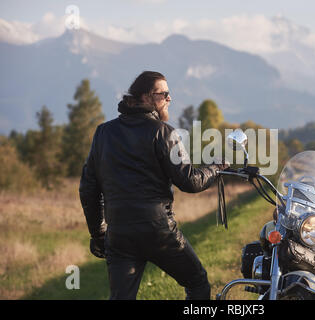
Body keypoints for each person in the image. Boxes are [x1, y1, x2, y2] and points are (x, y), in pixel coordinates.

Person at [79, 71, 229, 300]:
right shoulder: (164, 132)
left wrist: (99, 234)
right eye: (164, 94)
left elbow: (88, 189)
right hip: (158, 230)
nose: (170, 99)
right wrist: (217, 167)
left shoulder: (103, 133)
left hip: (119, 233)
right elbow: (190, 181)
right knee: (197, 282)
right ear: (146, 98)